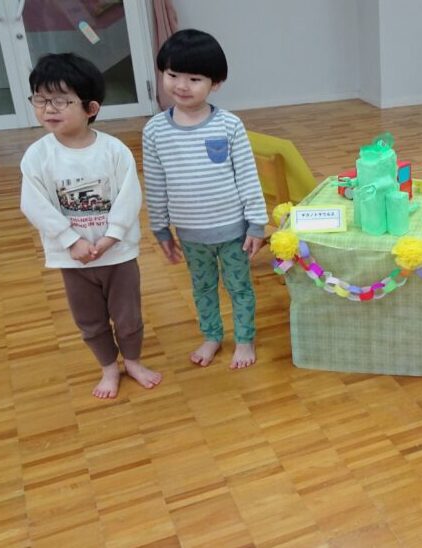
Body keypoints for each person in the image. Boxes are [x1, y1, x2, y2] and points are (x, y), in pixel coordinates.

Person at [20, 53, 162, 399]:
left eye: (60, 100)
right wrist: (71, 241)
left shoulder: (114, 150)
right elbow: (34, 204)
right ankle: (108, 368)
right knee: (89, 319)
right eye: (40, 99)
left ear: (91, 107)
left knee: (128, 316)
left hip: (118, 256)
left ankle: (133, 362)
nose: (48, 108)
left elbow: (129, 196)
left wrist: (112, 237)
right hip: (73, 260)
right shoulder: (38, 155)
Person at [142, 29, 268, 369]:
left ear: (216, 83)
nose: (181, 85)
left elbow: (248, 177)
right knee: (203, 289)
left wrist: (257, 224)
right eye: (172, 75)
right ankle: (212, 335)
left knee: (239, 288)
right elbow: (155, 184)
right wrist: (160, 229)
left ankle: (244, 339)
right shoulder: (154, 131)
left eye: (194, 78)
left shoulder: (229, 125)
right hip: (190, 234)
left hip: (233, 232)